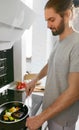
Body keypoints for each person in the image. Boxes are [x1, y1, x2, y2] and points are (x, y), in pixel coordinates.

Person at [25, 0, 79, 130]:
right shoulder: (59, 42)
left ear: (67, 15)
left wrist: (40, 118)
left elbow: (75, 92)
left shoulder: (77, 44)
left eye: (52, 19)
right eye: (46, 21)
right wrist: (35, 80)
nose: (48, 25)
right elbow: (51, 64)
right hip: (52, 113)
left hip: (62, 121)